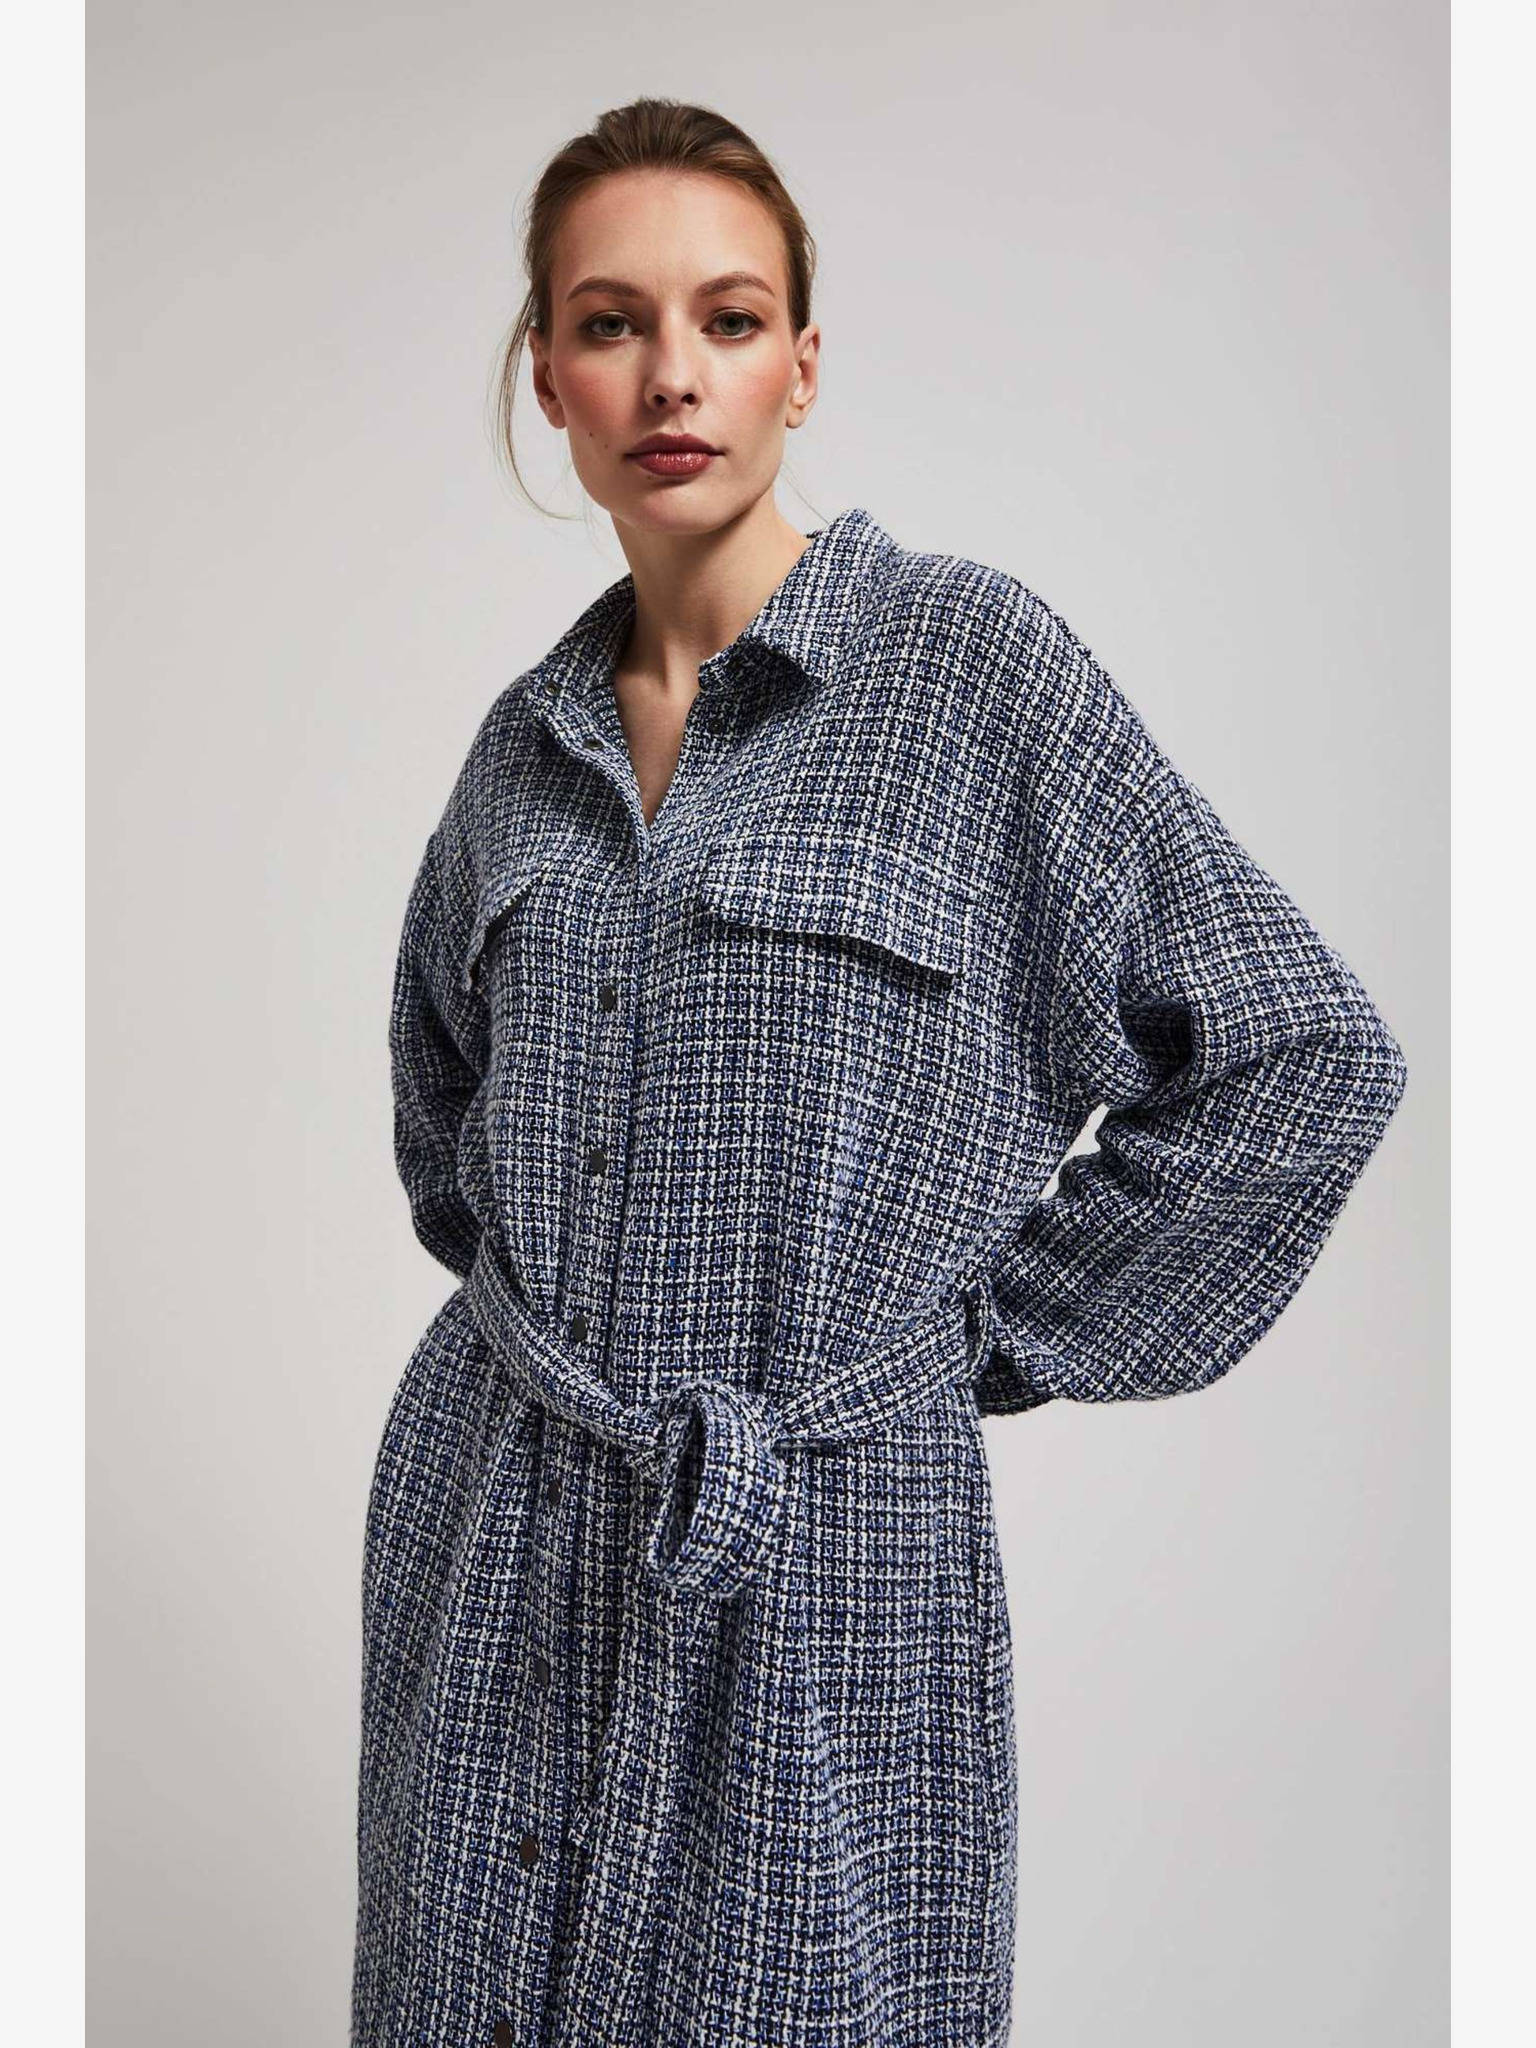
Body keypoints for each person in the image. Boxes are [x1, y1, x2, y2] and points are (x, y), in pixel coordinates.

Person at [351, 96, 1408, 2048]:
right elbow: (446, 1137)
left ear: (805, 364)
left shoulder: (974, 673)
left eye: (730, 317)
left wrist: (962, 1341)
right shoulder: (518, 752)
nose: (673, 374)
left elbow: (1297, 1052)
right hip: (495, 1543)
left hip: (826, 1555)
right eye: (611, 322)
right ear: (549, 378)